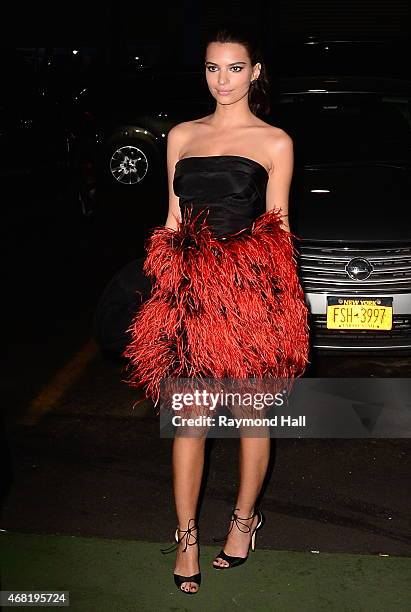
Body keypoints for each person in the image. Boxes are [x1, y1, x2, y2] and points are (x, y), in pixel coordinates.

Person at [121, 24, 310, 595]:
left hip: (250, 299)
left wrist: (281, 312)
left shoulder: (275, 141)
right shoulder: (181, 135)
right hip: (189, 299)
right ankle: (185, 537)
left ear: (255, 73)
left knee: (254, 420)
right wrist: (164, 295)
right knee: (191, 423)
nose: (222, 80)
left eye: (234, 68)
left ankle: (244, 522)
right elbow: (173, 223)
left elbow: (279, 231)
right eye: (211, 68)